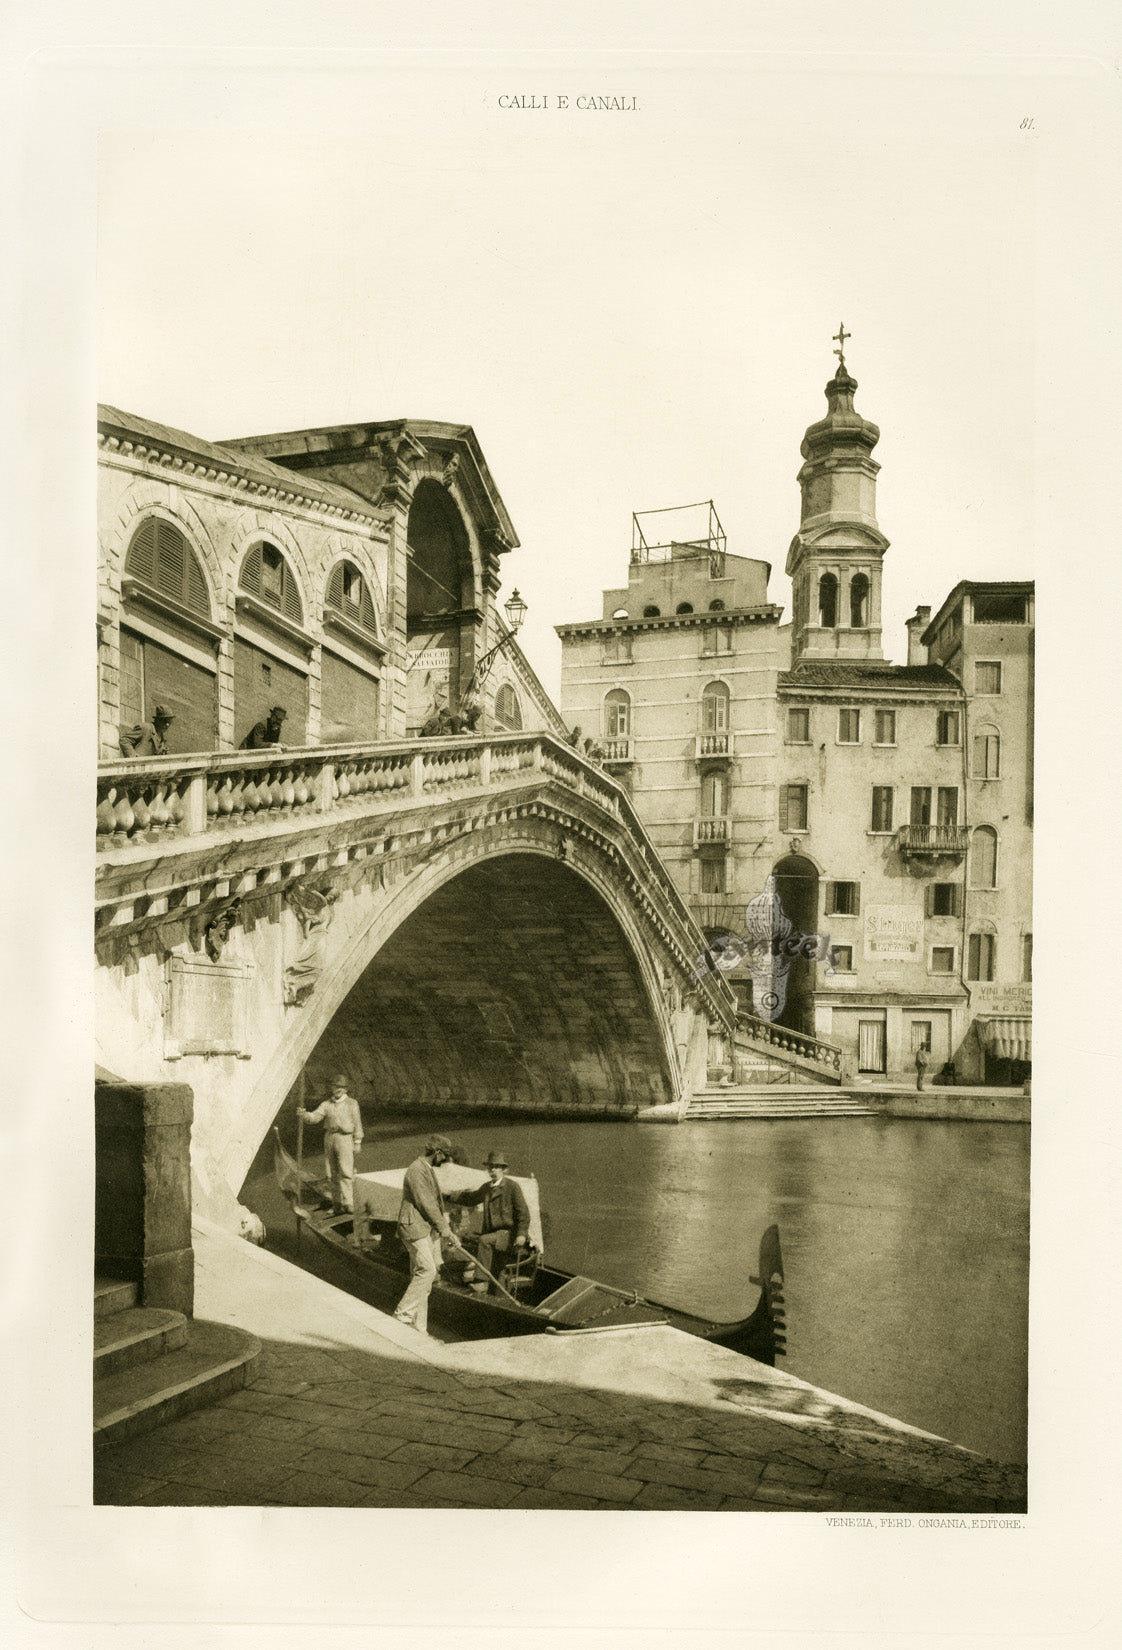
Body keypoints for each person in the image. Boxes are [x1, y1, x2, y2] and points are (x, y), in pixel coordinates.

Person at [393, 1134, 458, 1334]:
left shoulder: (426, 1169)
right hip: (413, 1227)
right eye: (444, 1156)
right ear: (437, 1153)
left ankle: (419, 1329)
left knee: (423, 1280)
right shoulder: (417, 1170)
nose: (446, 1160)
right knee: (428, 1271)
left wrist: (444, 1230)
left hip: (423, 1228)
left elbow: (432, 1204)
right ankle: (402, 1315)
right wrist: (445, 1229)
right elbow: (426, 1203)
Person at [450, 1150, 530, 1295]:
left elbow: (523, 1213)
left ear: (503, 1169)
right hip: (494, 1235)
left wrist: (521, 1235)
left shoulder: (512, 1187)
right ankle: (495, 1297)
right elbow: (471, 1199)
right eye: (490, 1167)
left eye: (496, 1167)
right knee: (496, 1269)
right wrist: (449, 1195)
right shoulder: (487, 1188)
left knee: (484, 1240)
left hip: (509, 1235)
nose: (493, 1170)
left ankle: (481, 1281)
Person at [297, 1074, 364, 1214]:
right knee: (332, 1173)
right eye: (335, 1087)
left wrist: (357, 1141)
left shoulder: (352, 1103)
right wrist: (305, 1115)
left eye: (341, 1087)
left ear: (346, 1089)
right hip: (330, 1138)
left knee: (346, 1171)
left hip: (345, 1139)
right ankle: (337, 1204)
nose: (338, 1089)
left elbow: (357, 1124)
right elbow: (315, 1117)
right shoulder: (326, 1104)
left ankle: (349, 1203)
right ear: (331, 1088)